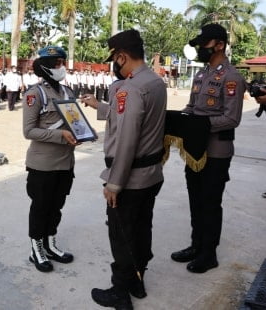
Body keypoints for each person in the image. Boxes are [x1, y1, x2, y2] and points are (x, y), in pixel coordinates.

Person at [81, 29, 166, 309]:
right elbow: (129, 116)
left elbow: (128, 138)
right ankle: (137, 281)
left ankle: (120, 292)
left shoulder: (131, 88)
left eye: (114, 59)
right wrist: (99, 106)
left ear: (121, 56)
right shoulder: (154, 81)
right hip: (151, 175)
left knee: (121, 235)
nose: (114, 65)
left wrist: (114, 183)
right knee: (142, 230)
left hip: (130, 179)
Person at [170, 23, 245, 274]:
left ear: (219, 45)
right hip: (195, 150)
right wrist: (179, 120)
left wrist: (198, 126)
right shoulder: (201, 75)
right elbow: (191, 108)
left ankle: (209, 253)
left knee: (210, 203)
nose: (201, 49)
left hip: (216, 151)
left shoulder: (231, 77)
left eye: (204, 44)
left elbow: (231, 118)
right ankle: (196, 244)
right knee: (195, 199)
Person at [23, 46, 77, 273]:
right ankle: (36, 248)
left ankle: (50, 244)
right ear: (44, 66)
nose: (61, 67)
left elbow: (75, 121)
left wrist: (80, 133)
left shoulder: (67, 92)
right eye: (56, 63)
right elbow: (29, 131)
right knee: (41, 207)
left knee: (56, 207)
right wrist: (60, 135)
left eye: (62, 62)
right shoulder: (35, 94)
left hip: (65, 162)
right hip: (42, 164)